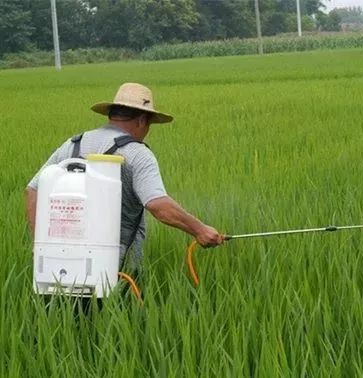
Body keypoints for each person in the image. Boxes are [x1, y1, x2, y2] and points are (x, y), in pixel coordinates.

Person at [26, 82, 223, 280]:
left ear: (112, 115)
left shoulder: (74, 143)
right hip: (117, 266)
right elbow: (158, 205)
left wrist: (42, 244)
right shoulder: (138, 153)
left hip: (59, 262)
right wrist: (200, 230)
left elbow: (33, 190)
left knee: (63, 311)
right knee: (117, 310)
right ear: (142, 120)